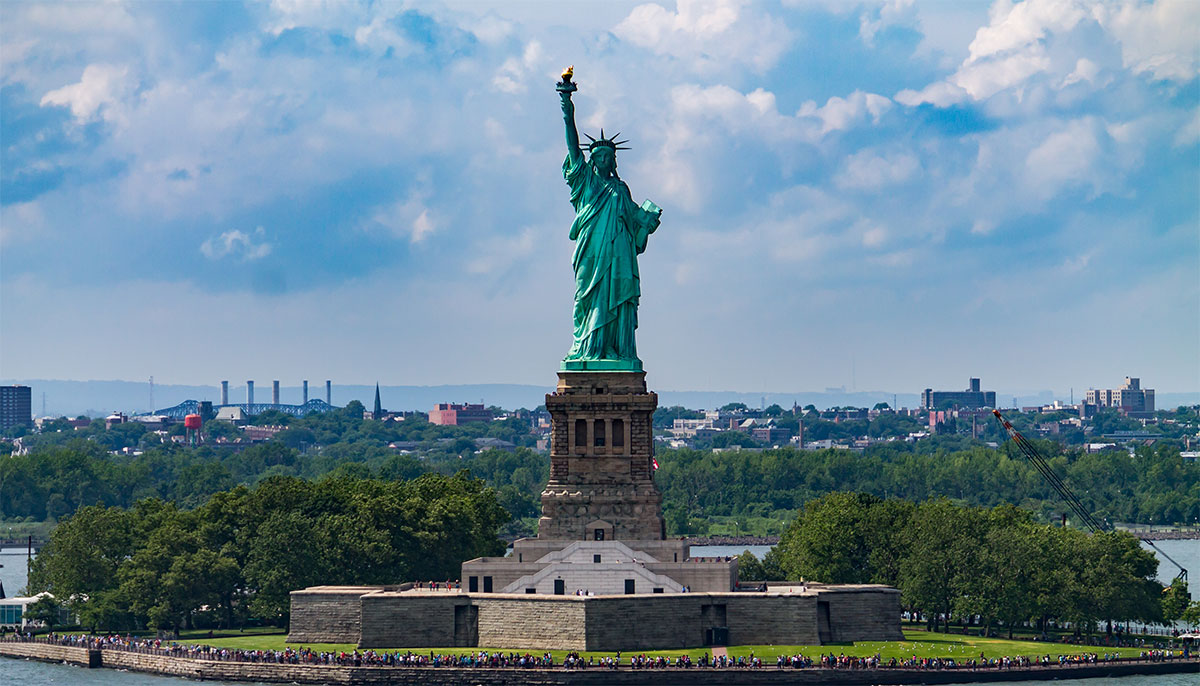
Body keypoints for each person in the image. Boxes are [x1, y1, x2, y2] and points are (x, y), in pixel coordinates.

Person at [558, 68, 662, 366]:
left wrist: (648, 220)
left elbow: (636, 224)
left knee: (617, 299)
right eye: (599, 156)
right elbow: (571, 143)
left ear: (613, 161)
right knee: (586, 299)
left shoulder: (620, 188)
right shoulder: (585, 183)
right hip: (591, 253)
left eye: (609, 157)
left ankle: (616, 351)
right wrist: (567, 106)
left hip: (619, 255)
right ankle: (589, 349)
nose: (604, 160)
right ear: (592, 160)